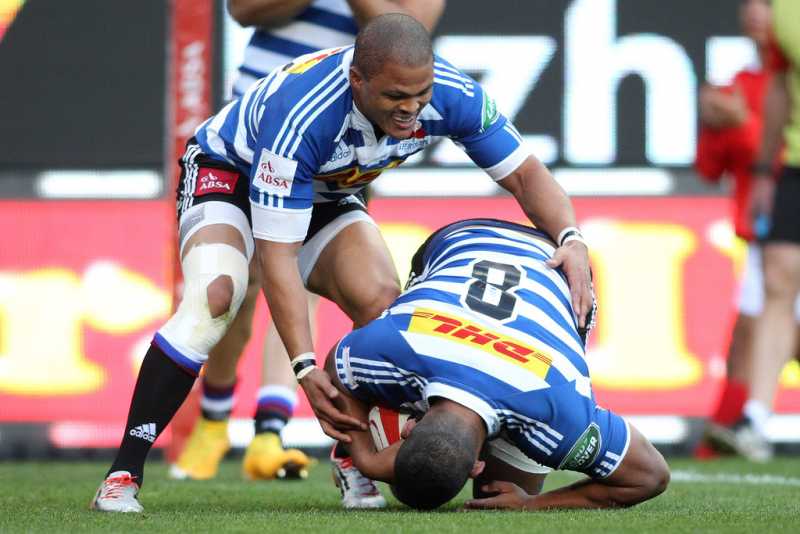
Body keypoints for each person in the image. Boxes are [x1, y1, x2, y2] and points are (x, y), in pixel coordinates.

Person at [91, 14, 593, 513]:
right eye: (395, 97)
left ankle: (352, 455)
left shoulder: (453, 94)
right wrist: (305, 366)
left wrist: (571, 238)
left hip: (325, 192)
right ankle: (122, 474)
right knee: (215, 298)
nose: (410, 109)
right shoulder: (305, 115)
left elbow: (526, 176)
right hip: (230, 175)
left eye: (420, 94)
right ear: (357, 80)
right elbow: (279, 257)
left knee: (384, 306)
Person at [169, 0, 445, 509]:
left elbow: (409, 29)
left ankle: (271, 429)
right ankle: (215, 416)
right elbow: (244, 10)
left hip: (351, 132)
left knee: (308, 276)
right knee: (239, 287)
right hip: (262, 125)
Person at [321, 218, 669, 510]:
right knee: (442, 478)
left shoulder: (559, 416)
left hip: (518, 253)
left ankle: (387, 428)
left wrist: (532, 503)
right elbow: (649, 476)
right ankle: (376, 441)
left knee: (449, 486)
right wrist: (363, 455)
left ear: (409, 427)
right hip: (466, 246)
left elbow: (650, 477)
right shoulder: (392, 346)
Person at [693, 0, 800, 461]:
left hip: (770, 217)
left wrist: (742, 124)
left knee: (756, 332)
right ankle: (741, 427)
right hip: (769, 216)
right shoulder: (738, 85)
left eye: (765, 3)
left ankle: (727, 433)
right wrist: (718, 128)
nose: (756, 11)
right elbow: (708, 167)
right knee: (753, 329)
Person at [741, 0, 800, 461]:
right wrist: (764, 169)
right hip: (794, 161)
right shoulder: (783, 8)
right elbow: (782, 84)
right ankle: (755, 417)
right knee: (778, 277)